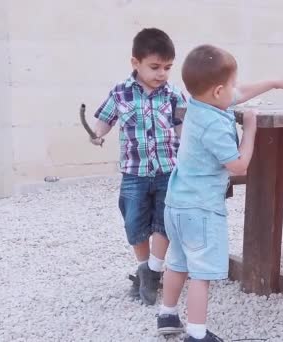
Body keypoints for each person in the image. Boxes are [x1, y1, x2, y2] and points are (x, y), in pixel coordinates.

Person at [156, 44, 283, 341]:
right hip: (202, 210)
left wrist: (273, 83)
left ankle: (167, 315)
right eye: (231, 84)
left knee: (178, 262)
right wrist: (250, 130)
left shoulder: (197, 105)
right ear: (218, 91)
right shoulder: (215, 126)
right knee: (202, 274)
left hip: (176, 205)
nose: (235, 89)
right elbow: (239, 165)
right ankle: (196, 333)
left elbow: (239, 93)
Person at [90, 28, 187, 305]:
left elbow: (183, 129)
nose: (162, 74)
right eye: (155, 67)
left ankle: (154, 272)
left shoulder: (173, 95)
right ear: (136, 63)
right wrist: (97, 134)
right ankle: (145, 269)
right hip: (134, 173)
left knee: (164, 221)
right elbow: (105, 121)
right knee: (134, 224)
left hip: (168, 170)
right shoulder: (120, 93)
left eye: (167, 68)